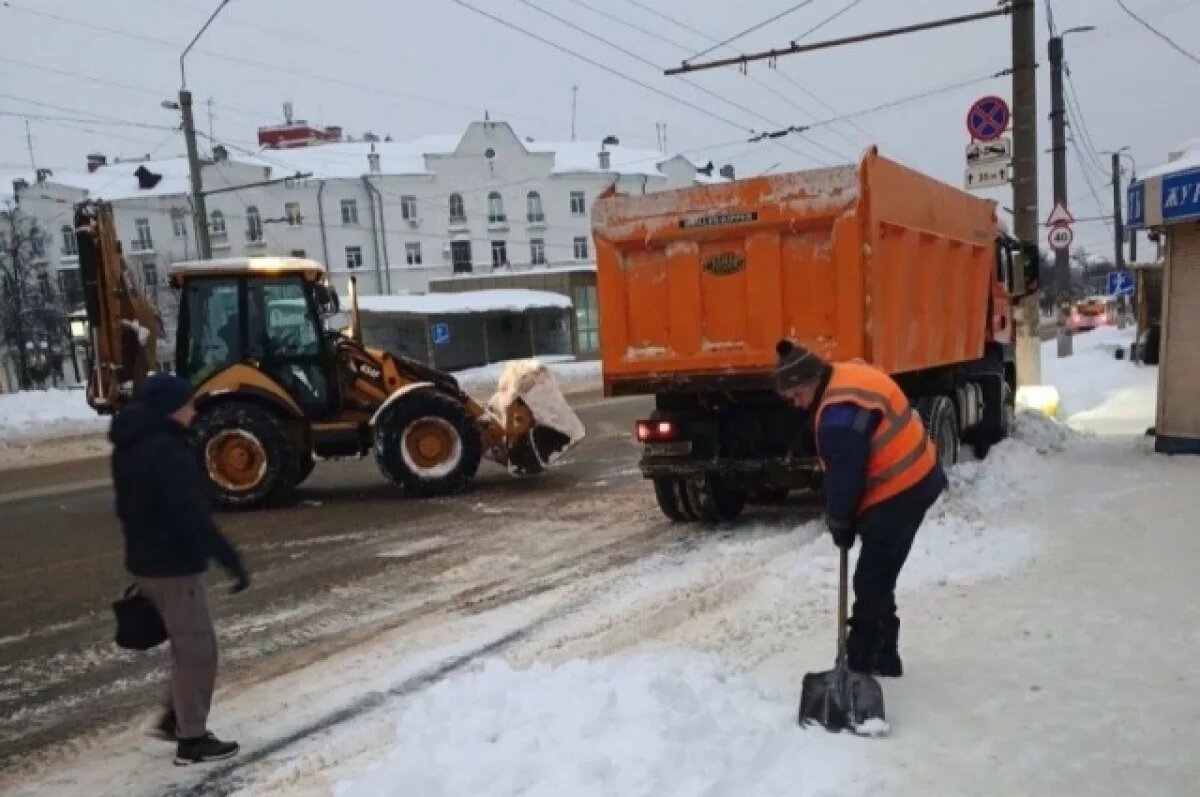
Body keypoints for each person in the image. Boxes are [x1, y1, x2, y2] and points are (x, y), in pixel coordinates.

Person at [774, 340, 947, 677]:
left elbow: (845, 477)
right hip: (917, 474)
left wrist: (840, 519)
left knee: (870, 581)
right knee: (879, 573)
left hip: (902, 488)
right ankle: (885, 657)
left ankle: (858, 667)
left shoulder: (838, 418)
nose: (797, 405)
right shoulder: (845, 373)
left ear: (811, 382)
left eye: (797, 396)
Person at [110, 373, 250, 765]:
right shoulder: (166, 451)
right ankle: (192, 740)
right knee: (198, 652)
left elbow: (130, 509)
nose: (194, 411)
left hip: (145, 563)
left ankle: (176, 718)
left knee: (184, 646)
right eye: (189, 404)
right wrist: (230, 560)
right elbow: (192, 516)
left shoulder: (130, 445)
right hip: (174, 567)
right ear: (173, 409)